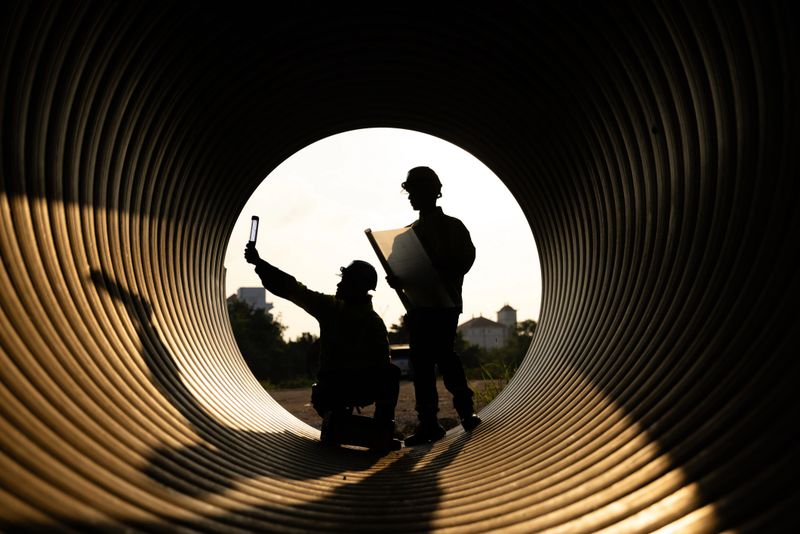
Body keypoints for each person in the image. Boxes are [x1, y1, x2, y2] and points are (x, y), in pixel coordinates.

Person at [244, 243, 400, 451]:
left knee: (388, 373)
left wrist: (259, 264)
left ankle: (374, 431)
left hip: (333, 392)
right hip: (339, 392)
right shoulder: (365, 319)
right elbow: (292, 288)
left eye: (344, 280)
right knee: (390, 374)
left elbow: (292, 289)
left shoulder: (334, 310)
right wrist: (260, 264)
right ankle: (381, 433)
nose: (339, 284)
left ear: (356, 286)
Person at [389, 166, 481, 446]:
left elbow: (465, 260)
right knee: (423, 365)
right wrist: (396, 278)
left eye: (416, 190)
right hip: (419, 308)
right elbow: (398, 271)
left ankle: (465, 413)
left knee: (444, 358)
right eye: (410, 191)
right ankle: (429, 423)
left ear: (433, 191)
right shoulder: (404, 236)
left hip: (443, 304)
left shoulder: (452, 227)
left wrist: (436, 265)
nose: (411, 196)